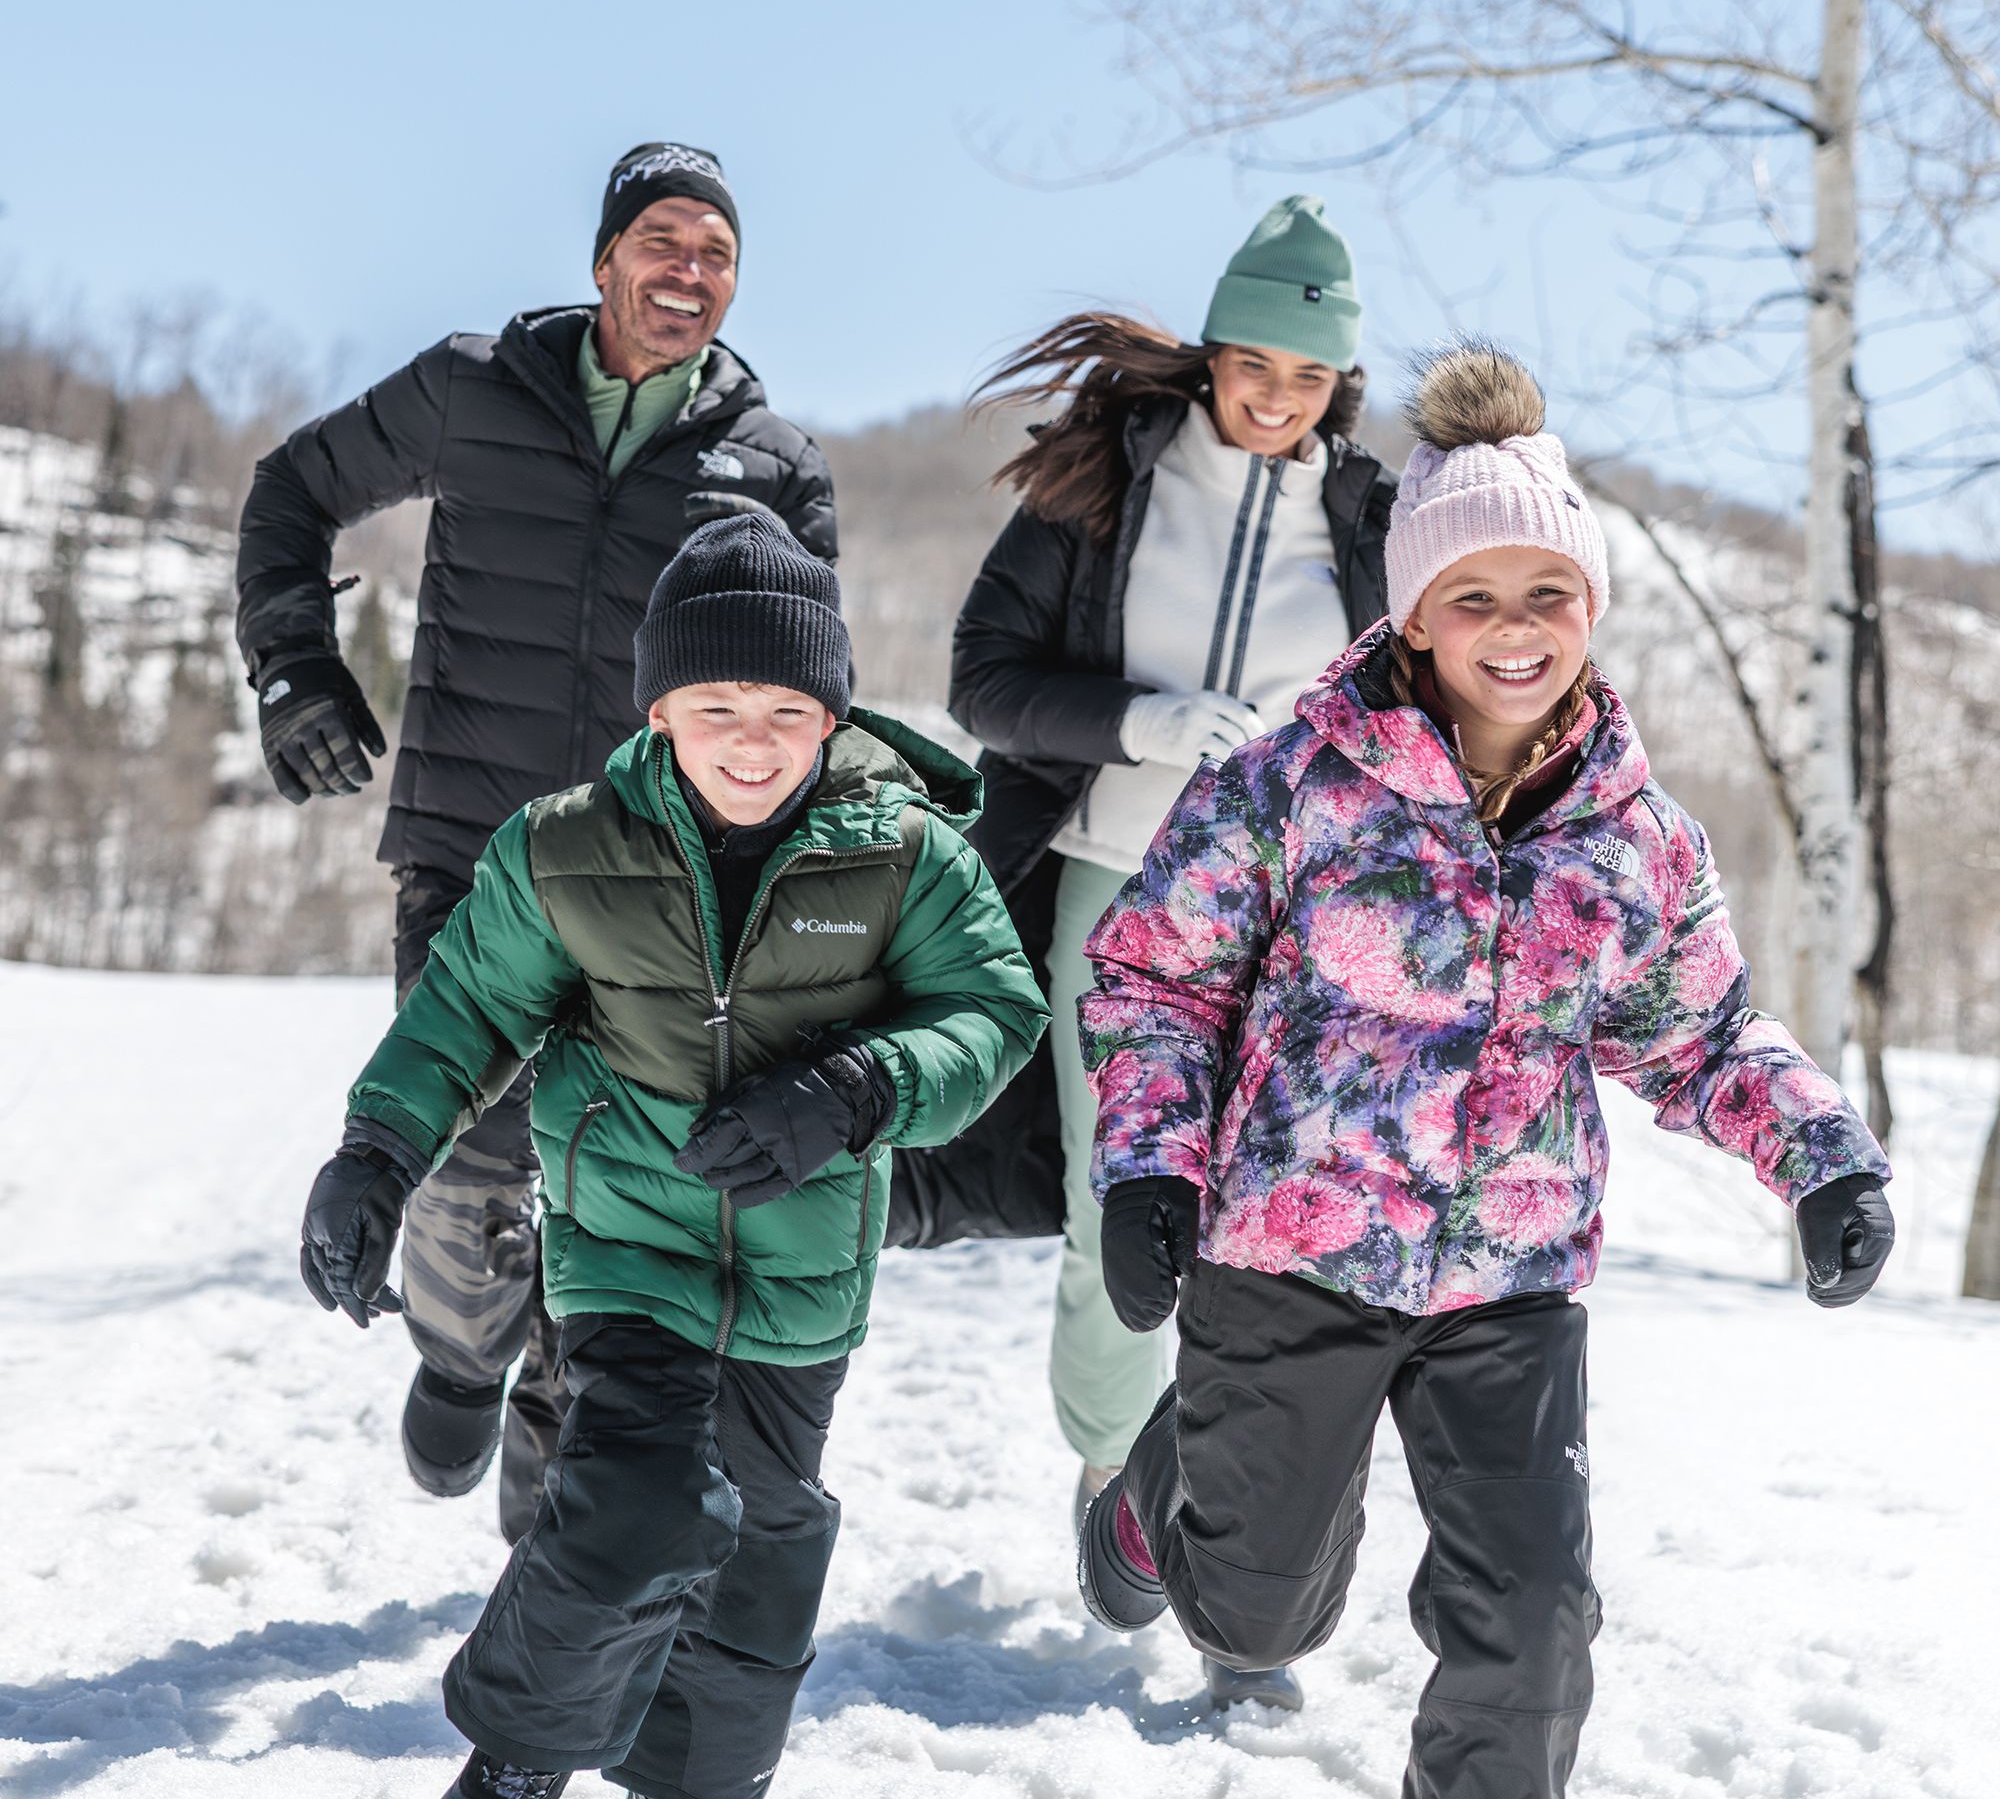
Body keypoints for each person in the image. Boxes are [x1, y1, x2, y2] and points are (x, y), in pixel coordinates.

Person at [1072, 341, 1897, 1796]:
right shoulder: (1293, 782)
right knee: (1258, 1609)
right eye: (1474, 597)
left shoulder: (1637, 836)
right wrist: (1151, 1163)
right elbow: (1159, 977)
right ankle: (1161, 1490)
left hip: (1510, 1279)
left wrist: (1822, 1155)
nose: (1514, 630)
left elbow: (1697, 1031)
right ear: (1415, 614)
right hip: (1291, 1257)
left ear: (1589, 607)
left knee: (1531, 1629)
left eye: (1548, 596)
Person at [296, 512, 1047, 1799]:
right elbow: (466, 1009)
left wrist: (863, 1086)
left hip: (803, 1263)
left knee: (758, 1532)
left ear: (830, 712)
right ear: (657, 710)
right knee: (638, 1500)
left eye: (784, 706)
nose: (749, 739)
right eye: (713, 703)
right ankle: (519, 1761)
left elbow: (994, 1013)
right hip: (627, 1238)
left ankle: (697, 1774)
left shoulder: (901, 847)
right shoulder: (566, 846)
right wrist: (376, 1150)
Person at [236, 143, 837, 1538]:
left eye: (717, 254)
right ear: (605, 260)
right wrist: (294, 665)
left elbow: (810, 691)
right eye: (664, 242)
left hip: (661, 888)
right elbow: (290, 488)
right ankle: (458, 1347)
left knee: (617, 1205)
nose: (689, 273)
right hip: (469, 855)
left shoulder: (774, 466)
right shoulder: (474, 389)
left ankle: (551, 1519)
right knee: (473, 1171)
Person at [891, 195, 1393, 1711]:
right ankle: (1122, 1475)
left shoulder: (1370, 519)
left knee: (1278, 1232)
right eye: (1259, 363)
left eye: (1310, 379)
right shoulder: (1104, 489)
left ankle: (1244, 1557)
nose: (1279, 397)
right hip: (1112, 889)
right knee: (1119, 1199)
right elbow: (985, 679)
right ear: (1218, 349)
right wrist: (1145, 724)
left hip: (1296, 922)